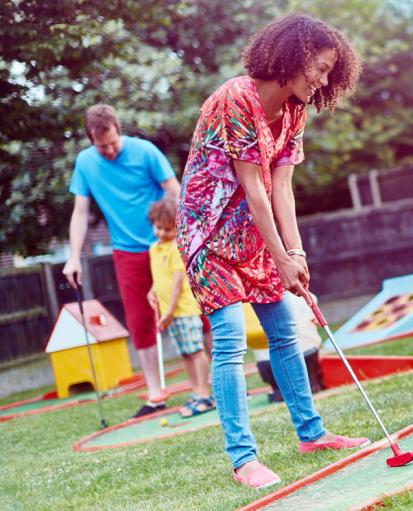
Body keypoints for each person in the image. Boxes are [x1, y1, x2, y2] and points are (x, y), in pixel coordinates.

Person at [175, 14, 368, 489]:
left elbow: (282, 186)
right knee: (230, 341)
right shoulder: (236, 98)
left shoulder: (295, 111)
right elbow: (253, 188)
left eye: (329, 71)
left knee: (283, 334)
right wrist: (281, 256)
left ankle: (312, 434)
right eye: (318, 68)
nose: (323, 79)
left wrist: (295, 254)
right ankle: (243, 460)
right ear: (291, 57)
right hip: (209, 234)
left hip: (254, 236)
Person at [63, 104, 180, 417]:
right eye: (103, 146)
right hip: (127, 249)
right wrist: (73, 256)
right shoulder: (86, 164)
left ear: (119, 130)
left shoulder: (145, 152)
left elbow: (174, 192)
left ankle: (208, 383)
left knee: (191, 310)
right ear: (91, 140)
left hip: (166, 244)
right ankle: (155, 394)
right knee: (140, 319)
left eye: (114, 142)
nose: (110, 150)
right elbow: (80, 212)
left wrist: (181, 234)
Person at [146, 197, 214, 418]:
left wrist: (168, 313)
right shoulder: (154, 249)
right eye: (159, 228)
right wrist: (153, 292)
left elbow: (177, 284)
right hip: (171, 313)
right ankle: (197, 393)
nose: (163, 233)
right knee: (186, 353)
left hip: (183, 310)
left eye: (169, 229)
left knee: (195, 351)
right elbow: (161, 279)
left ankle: (205, 395)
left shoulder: (177, 248)